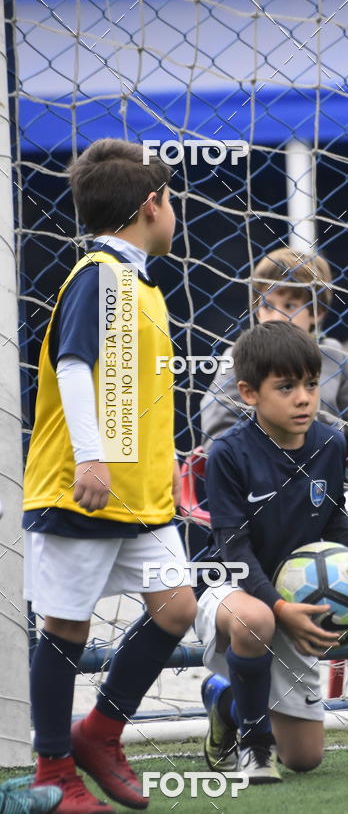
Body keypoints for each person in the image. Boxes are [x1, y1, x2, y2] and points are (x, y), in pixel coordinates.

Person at [22, 139, 198, 813]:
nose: (175, 210)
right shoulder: (99, 273)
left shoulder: (136, 279)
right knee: (65, 627)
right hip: (82, 489)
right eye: (172, 199)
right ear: (151, 205)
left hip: (140, 497)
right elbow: (71, 366)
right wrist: (91, 457)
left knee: (177, 607)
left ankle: (100, 731)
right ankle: (53, 770)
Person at [195, 321, 348, 782]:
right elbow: (232, 546)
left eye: (311, 384)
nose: (303, 398)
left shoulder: (330, 442)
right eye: (286, 387)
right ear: (250, 394)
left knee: (306, 759)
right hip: (231, 589)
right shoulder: (228, 452)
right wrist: (276, 605)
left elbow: (334, 518)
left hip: (294, 597)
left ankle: (225, 701)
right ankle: (254, 745)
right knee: (258, 619)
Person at [201, 248, 348, 493]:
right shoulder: (238, 356)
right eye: (267, 305)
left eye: (289, 305)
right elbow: (218, 433)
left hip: (329, 488)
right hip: (261, 489)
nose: (275, 316)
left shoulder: (334, 355)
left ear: (317, 312)